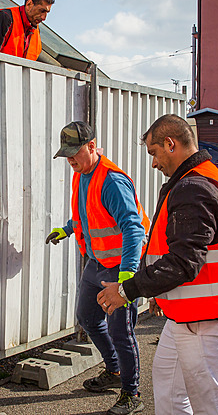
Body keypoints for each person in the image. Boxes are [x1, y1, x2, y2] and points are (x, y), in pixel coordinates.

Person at [97, 114, 218, 415]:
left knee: (214, 405)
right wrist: (163, 294)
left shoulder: (192, 188)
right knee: (169, 388)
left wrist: (126, 291)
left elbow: (184, 263)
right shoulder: (206, 178)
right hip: (192, 312)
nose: (154, 163)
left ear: (170, 144)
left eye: (154, 153)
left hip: (203, 316)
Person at [46, 121, 149, 415]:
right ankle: (114, 371)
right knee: (88, 318)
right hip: (96, 263)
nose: (70, 160)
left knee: (121, 333)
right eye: (66, 154)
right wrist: (66, 230)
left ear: (91, 147)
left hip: (119, 269)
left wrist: (127, 278)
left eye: (74, 153)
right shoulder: (82, 173)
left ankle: (132, 394)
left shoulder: (112, 181)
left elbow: (134, 228)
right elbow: (87, 215)